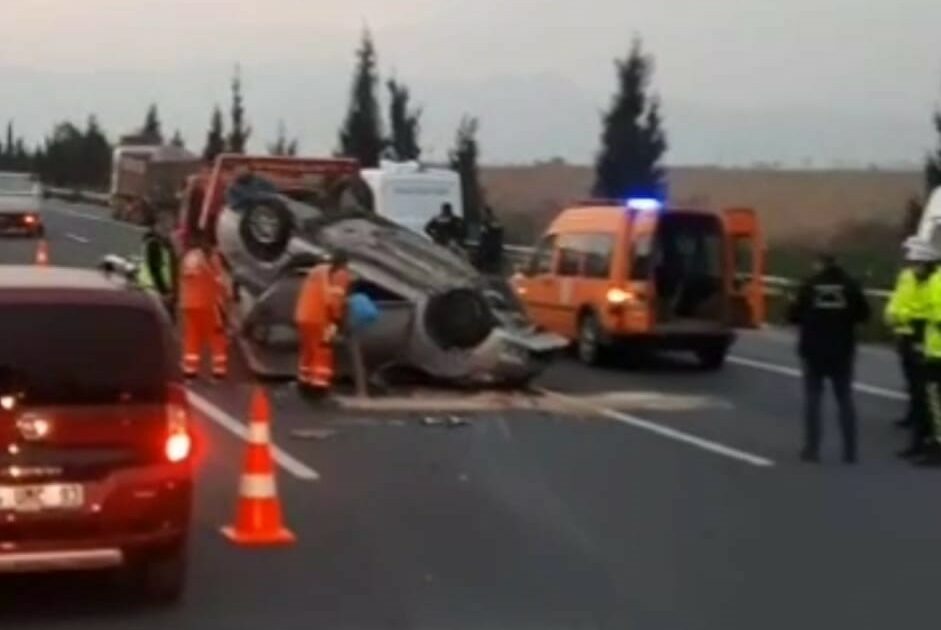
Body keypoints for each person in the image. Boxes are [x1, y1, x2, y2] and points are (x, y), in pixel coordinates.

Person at [788, 253, 870, 464]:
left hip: (813, 350)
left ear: (819, 264)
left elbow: (793, 315)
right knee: (845, 400)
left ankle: (812, 449)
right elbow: (864, 315)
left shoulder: (809, 285)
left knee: (813, 400)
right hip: (843, 350)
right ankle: (850, 451)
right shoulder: (850, 286)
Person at [885, 238, 937, 459]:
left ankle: (932, 444)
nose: (911, 265)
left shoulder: (936, 282)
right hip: (914, 340)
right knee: (918, 394)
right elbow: (897, 304)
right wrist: (896, 318)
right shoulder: (909, 278)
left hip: (930, 345)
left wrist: (911, 319)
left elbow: (933, 313)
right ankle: (920, 441)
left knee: (930, 398)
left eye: (915, 261)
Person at [294, 251, 352, 392]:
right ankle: (318, 386)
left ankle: (303, 380)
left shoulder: (317, 271)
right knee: (323, 351)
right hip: (321, 318)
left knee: (308, 350)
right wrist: (337, 320)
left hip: (303, 315)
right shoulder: (341, 275)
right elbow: (334, 301)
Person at [178, 232, 228, 379]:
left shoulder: (188, 257)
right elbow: (220, 283)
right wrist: (224, 305)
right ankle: (219, 371)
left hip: (188, 303)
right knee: (216, 336)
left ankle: (190, 370)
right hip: (207, 302)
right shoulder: (212, 258)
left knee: (192, 336)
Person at [917, 256, 941, 466]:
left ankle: (937, 447)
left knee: (934, 402)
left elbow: (936, 314)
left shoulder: (937, 281)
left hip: (937, 354)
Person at [136, 211, 178, 319]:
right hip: (152, 290)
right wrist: (164, 292)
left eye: (170, 227)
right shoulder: (153, 243)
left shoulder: (165, 245)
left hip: (159, 291)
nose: (168, 230)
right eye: (164, 226)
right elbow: (155, 270)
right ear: (156, 226)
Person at [475, 205, 504, 274]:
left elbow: (486, 233)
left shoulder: (488, 221)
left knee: (488, 263)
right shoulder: (491, 220)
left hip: (490, 246)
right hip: (491, 246)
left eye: (483, 213)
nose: (482, 215)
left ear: (486, 213)